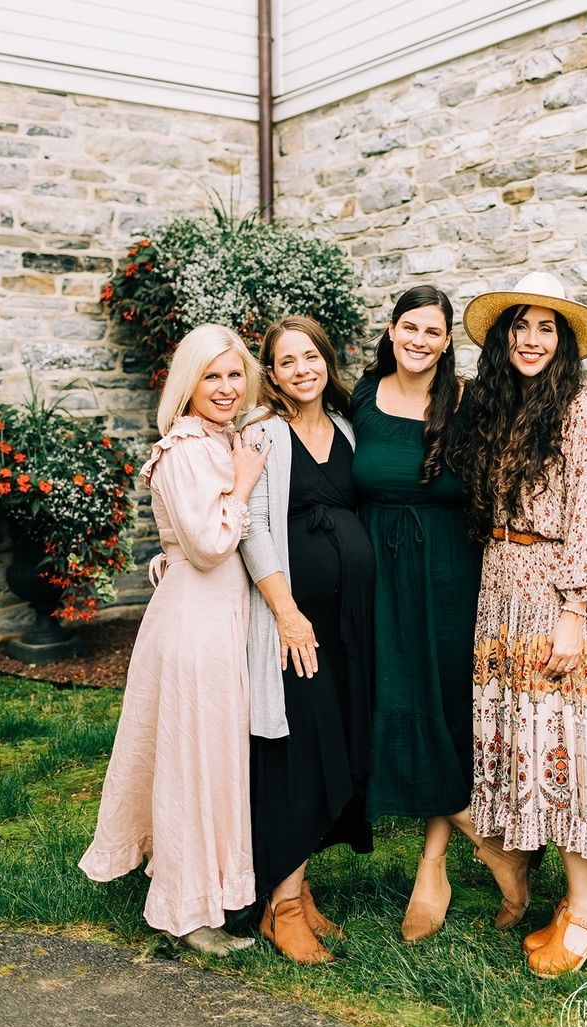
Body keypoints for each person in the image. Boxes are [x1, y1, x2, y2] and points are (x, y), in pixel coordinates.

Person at [451, 271, 587, 977]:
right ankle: (569, 901)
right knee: (528, 747)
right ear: (504, 338)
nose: (532, 339)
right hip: (501, 584)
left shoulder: (581, 410)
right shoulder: (499, 406)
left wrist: (574, 612)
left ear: (563, 343)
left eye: (546, 328)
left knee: (566, 749)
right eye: (521, 327)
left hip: (556, 596)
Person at [79, 324, 269, 957]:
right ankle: (187, 913)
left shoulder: (221, 437)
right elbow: (212, 545)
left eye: (234, 374)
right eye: (211, 376)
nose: (225, 387)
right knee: (194, 761)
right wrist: (242, 482)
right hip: (198, 624)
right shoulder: (188, 446)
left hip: (211, 614)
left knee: (209, 757)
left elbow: (182, 538)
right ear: (188, 384)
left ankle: (207, 889)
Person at [240, 316, 375, 965]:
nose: (301, 369)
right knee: (302, 754)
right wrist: (287, 613)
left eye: (310, 357)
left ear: (327, 360)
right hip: (296, 627)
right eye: (286, 361)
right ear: (272, 375)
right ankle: (281, 908)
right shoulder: (263, 434)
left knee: (335, 747)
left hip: (349, 625)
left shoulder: (347, 428)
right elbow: (252, 526)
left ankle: (300, 890)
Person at [349, 285, 482, 943]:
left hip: (449, 573)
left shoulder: (468, 403)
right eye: (411, 327)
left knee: (444, 704)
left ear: (448, 340)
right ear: (392, 330)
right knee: (380, 695)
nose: (421, 341)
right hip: (375, 570)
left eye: (434, 331)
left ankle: (434, 866)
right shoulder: (361, 398)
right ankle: (484, 835)